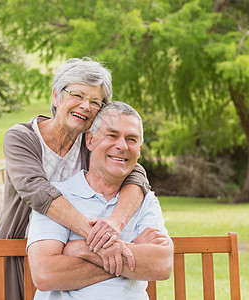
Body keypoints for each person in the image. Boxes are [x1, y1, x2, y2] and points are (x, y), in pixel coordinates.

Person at [0, 58, 151, 300]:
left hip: (72, 257)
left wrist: (115, 223)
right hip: (18, 253)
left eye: (95, 102)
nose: (85, 106)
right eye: (78, 95)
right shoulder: (21, 137)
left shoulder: (91, 144)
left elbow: (136, 174)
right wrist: (101, 240)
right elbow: (37, 192)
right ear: (55, 96)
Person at [27, 102, 173, 299]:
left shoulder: (145, 201)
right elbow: (45, 275)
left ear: (139, 148)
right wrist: (132, 249)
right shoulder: (59, 198)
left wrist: (84, 250)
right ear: (90, 140)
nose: (122, 146)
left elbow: (161, 265)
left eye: (131, 139)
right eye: (112, 135)